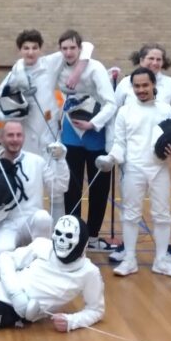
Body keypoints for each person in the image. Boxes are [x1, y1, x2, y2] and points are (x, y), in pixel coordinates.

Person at [96, 67, 171, 278]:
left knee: (162, 216)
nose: (141, 89)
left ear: (153, 85)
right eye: (137, 86)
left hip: (159, 168)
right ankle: (129, 259)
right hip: (133, 169)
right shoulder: (125, 112)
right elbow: (120, 143)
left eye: (145, 85)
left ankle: (161, 260)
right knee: (130, 215)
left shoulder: (165, 109)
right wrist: (111, 158)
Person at [57, 30, 118, 252]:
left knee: (98, 189)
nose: (68, 52)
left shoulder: (95, 68)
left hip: (96, 133)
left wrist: (93, 123)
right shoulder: (58, 67)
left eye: (73, 48)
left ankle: (92, 237)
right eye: (64, 48)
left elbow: (111, 103)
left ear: (80, 49)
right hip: (70, 131)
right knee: (71, 188)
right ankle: (73, 233)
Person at [0, 121, 68, 257]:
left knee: (43, 218)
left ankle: (40, 258)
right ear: (1, 138)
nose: (15, 139)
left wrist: (60, 160)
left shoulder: (37, 162)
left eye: (19, 135)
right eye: (10, 135)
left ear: (23, 138)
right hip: (7, 224)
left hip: (33, 220)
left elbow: (59, 188)